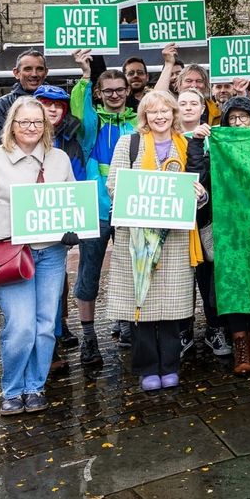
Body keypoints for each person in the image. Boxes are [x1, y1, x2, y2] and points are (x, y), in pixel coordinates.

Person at [0, 97, 76, 415]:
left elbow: (70, 199)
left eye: (37, 122)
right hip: (10, 254)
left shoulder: (59, 159)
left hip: (51, 253)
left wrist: (74, 227)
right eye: (24, 122)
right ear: (11, 124)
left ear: (46, 125)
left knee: (45, 325)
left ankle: (35, 386)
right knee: (21, 326)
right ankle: (12, 389)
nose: (31, 128)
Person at [105, 90, 205, 391]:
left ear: (174, 114)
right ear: (144, 116)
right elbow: (114, 185)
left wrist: (200, 197)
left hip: (174, 238)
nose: (159, 116)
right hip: (137, 237)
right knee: (142, 305)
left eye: (165, 111)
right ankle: (148, 367)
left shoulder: (186, 144)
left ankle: (170, 365)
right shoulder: (129, 143)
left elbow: (197, 188)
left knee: (172, 307)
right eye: (153, 112)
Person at [70, 51, 139, 365]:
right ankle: (89, 337)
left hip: (130, 208)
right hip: (95, 208)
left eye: (119, 90)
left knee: (130, 270)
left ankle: (126, 323)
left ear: (128, 91)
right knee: (89, 274)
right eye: (107, 90)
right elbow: (79, 107)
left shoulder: (137, 123)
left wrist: (167, 65)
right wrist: (85, 76)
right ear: (99, 93)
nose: (114, 95)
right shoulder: (91, 123)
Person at [206, 95, 250, 374]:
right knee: (233, 283)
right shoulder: (217, 147)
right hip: (228, 226)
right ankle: (240, 347)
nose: (238, 123)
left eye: (243, 117)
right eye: (232, 118)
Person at [175, 88, 231, 359]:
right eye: (182, 103)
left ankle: (214, 328)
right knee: (180, 278)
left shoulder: (216, 139)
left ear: (203, 108)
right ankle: (183, 329)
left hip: (207, 218)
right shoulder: (169, 138)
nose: (187, 107)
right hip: (175, 222)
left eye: (193, 103)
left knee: (209, 277)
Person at [34, 84, 84, 363]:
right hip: (27, 228)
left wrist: (73, 223)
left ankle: (52, 341)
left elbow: (74, 186)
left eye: (58, 105)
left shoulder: (70, 141)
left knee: (53, 287)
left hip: (55, 226)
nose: (52, 109)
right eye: (46, 103)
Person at [0, 50, 48, 147]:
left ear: (46, 72)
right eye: (28, 69)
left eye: (39, 69)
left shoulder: (57, 103)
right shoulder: (2, 105)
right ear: (16, 73)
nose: (34, 74)